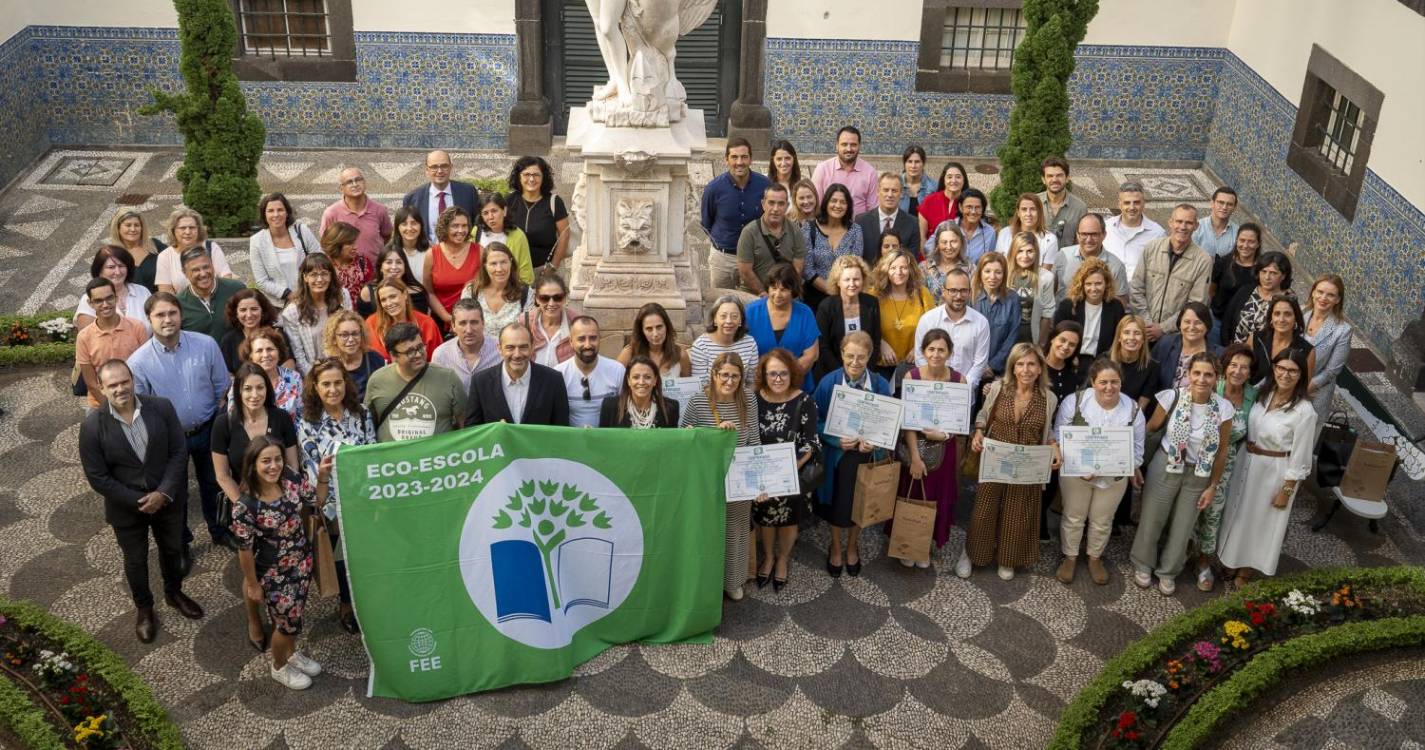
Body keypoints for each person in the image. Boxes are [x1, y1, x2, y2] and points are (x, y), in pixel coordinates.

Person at [79, 360, 202, 643]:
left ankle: (174, 593)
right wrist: (139, 500)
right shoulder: (92, 426)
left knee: (173, 551)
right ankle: (145, 609)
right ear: (101, 387)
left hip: (167, 500)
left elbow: (178, 452)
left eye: (124, 381)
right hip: (127, 509)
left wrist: (164, 493)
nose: (120, 388)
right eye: (112, 385)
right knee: (135, 561)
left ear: (133, 380)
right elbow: (98, 477)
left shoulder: (161, 407)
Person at [127, 293, 233, 550]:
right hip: (170, 439)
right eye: (160, 315)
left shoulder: (206, 345)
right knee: (177, 492)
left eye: (172, 313)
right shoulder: (138, 362)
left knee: (215, 483)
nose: (167, 320)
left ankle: (220, 530)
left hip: (208, 429)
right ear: (149, 319)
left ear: (181, 314)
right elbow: (142, 408)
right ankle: (182, 542)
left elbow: (222, 387)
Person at [210, 362, 300, 650]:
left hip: (280, 508)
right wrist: (245, 507)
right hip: (246, 509)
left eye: (260, 387)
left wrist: (287, 503)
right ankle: (253, 618)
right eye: (247, 388)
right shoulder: (225, 423)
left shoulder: (281, 418)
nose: (254, 394)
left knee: (280, 567)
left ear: (268, 389)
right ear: (238, 391)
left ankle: (279, 617)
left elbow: (292, 465)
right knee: (252, 571)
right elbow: (222, 474)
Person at [1130, 352, 1234, 596]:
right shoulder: (1172, 397)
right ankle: (1143, 563)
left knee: (1183, 525)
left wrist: (1213, 486)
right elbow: (1150, 429)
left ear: (1216, 378)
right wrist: (1134, 463)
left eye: (1208, 374)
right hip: (1166, 463)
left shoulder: (1224, 408)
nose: (1201, 379)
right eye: (1196, 373)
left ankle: (1168, 571)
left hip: (1199, 472)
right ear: (1188, 374)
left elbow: (1222, 451)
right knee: (1153, 517)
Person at [232, 436, 328, 689]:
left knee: (294, 617)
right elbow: (244, 550)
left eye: (277, 459)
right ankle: (279, 666)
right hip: (274, 572)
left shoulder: (291, 482)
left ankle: (291, 653)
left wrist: (324, 477)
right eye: (266, 461)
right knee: (285, 625)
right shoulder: (245, 506)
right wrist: (253, 585)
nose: (273, 466)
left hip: (302, 563)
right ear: (252, 465)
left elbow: (316, 501)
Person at [1215, 349, 1317, 586]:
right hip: (1246, 460)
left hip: (1274, 470)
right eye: (1281, 368)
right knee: (1238, 513)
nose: (1286, 374)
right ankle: (1230, 560)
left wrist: (1287, 490)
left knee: (1260, 521)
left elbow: (1301, 457)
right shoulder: (1262, 393)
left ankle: (1247, 569)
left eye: (1293, 371)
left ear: (1301, 375)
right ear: (1274, 368)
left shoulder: (1304, 412)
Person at [962, 343, 1062, 580]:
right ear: (1013, 367)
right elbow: (984, 415)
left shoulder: (1049, 398)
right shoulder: (998, 388)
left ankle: (1007, 558)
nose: (1026, 369)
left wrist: (1054, 448)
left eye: (1031, 364)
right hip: (995, 458)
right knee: (984, 509)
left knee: (1017, 512)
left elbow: (1048, 432)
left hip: (1027, 464)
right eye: (1020, 364)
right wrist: (978, 432)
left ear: (1040, 369)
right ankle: (971, 554)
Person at [297, 359, 375, 634]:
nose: (333, 389)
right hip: (331, 504)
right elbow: (310, 468)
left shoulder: (362, 413)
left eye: (338, 382)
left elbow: (373, 451)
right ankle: (345, 605)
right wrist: (325, 473)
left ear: (346, 383)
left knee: (366, 555)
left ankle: (368, 600)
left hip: (364, 499)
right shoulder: (308, 422)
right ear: (315, 388)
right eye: (326, 384)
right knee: (341, 558)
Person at [1053, 358, 1145, 585]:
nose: (1109, 387)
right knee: (1074, 516)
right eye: (1103, 382)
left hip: (1114, 477)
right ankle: (1070, 557)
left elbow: (1137, 450)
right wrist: (1080, 468)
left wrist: (1112, 466)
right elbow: (1058, 437)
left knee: (1102, 520)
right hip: (1076, 473)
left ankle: (1095, 557)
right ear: (1093, 382)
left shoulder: (1133, 409)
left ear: (1121, 382)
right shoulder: (1074, 402)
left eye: (1114, 382)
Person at [682, 352, 762, 600]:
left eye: (735, 376)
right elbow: (685, 438)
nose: (729, 381)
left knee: (736, 531)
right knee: (707, 531)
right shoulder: (698, 401)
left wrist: (759, 483)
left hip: (739, 476)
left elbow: (755, 439)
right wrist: (715, 435)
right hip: (706, 479)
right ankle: (707, 582)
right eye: (724, 375)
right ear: (714, 375)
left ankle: (733, 581)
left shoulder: (749, 399)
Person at [753, 349, 820, 589]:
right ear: (764, 374)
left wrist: (789, 469)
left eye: (783, 373)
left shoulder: (805, 401)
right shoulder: (754, 399)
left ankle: (782, 558)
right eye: (772, 374)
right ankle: (769, 556)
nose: (778, 379)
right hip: (761, 473)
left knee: (789, 518)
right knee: (767, 516)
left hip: (793, 473)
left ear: (792, 374)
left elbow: (811, 442)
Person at [1192, 344, 1256, 592]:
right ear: (1224, 368)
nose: (1238, 371)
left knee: (1213, 514)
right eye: (1234, 365)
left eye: (1245, 367)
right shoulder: (1210, 387)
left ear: (1250, 372)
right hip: (1196, 459)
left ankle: (1204, 562)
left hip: (1227, 466)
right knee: (1187, 510)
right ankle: (1180, 552)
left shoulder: (1253, 397)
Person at [895, 329, 962, 565]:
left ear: (949, 353)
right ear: (923, 351)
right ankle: (909, 544)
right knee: (913, 494)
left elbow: (960, 421)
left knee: (937, 496)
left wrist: (943, 435)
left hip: (945, 448)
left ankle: (925, 544)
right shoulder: (912, 377)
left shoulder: (958, 380)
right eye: (931, 349)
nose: (936, 354)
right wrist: (914, 456)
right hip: (916, 446)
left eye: (941, 349)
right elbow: (907, 422)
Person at [364, 323, 466, 442]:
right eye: (410, 352)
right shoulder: (377, 380)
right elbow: (368, 424)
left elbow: (463, 423)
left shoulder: (448, 378)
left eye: (420, 347)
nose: (418, 354)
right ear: (393, 356)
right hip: (393, 460)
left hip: (436, 459)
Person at [1130, 204, 1211, 342]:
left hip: (1174, 337)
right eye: (1179, 221)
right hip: (1143, 330)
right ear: (1170, 222)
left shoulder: (1203, 261)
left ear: (1196, 226)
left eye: (1189, 223)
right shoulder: (1151, 248)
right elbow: (1136, 288)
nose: (1183, 227)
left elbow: (1195, 304)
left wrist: (1162, 328)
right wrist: (1149, 325)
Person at [465, 324, 570, 426]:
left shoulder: (553, 380)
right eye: (510, 348)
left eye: (523, 347)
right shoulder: (480, 382)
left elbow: (561, 430)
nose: (517, 354)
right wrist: (493, 431)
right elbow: (472, 429)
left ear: (532, 347)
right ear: (499, 349)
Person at [701, 137, 771, 290]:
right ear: (726, 159)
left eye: (744, 157)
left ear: (751, 159)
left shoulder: (765, 186)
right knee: (720, 305)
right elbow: (706, 223)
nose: (739, 162)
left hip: (755, 260)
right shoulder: (714, 189)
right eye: (734, 157)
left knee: (754, 304)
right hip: (723, 259)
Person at [913, 267, 991, 393]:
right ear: (944, 292)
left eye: (963, 291)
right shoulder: (928, 320)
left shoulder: (981, 323)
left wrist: (962, 388)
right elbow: (920, 357)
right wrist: (934, 386)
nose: (958, 296)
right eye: (953, 290)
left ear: (970, 292)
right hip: (930, 392)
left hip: (965, 396)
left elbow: (980, 363)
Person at [76, 278, 150, 409]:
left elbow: (147, 367)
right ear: (90, 303)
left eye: (109, 298)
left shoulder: (137, 327)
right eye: (98, 301)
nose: (105, 304)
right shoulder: (84, 337)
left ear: (116, 297)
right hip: (100, 404)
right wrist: (111, 408)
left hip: (137, 401)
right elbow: (91, 381)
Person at [744, 265, 819, 390]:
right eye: (773, 288)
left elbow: (811, 355)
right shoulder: (751, 312)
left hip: (797, 386)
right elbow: (743, 353)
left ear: (793, 291)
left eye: (783, 290)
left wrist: (783, 379)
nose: (777, 294)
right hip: (760, 387)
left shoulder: (805, 313)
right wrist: (769, 380)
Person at [280, 253, 352, 376]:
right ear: (305, 277)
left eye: (324, 273)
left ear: (331, 276)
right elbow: (299, 358)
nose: (319, 279)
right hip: (314, 373)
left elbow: (351, 331)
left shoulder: (343, 297)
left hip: (345, 367)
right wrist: (317, 378)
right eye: (313, 275)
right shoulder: (292, 313)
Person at [1053, 259, 1126, 377]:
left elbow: (1117, 340)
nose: (1093, 288)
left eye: (1098, 283)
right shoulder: (1068, 305)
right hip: (1072, 360)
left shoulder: (1115, 307)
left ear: (1106, 283)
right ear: (1082, 284)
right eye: (1088, 284)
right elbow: (1056, 336)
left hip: (1102, 362)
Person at [815, 255, 880, 382]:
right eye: (847, 279)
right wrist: (843, 374)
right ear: (838, 281)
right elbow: (823, 347)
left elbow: (875, 342)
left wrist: (864, 371)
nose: (852, 284)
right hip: (832, 374)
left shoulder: (871, 303)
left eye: (856, 279)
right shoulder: (826, 306)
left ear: (863, 280)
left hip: (864, 373)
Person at [874, 248, 936, 378]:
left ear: (911, 270)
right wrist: (880, 343)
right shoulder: (873, 295)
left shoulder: (922, 293)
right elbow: (866, 328)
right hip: (880, 367)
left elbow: (934, 327)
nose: (899, 272)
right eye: (893, 267)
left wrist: (919, 348)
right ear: (885, 270)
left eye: (904, 267)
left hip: (914, 367)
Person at [801, 183, 864, 311]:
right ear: (826, 203)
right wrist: (831, 291)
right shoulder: (809, 227)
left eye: (843, 202)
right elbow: (807, 269)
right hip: (813, 298)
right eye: (833, 201)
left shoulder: (855, 230)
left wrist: (842, 291)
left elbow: (855, 265)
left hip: (847, 296)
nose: (838, 205)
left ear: (848, 206)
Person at [249, 192, 318, 306]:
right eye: (270, 211)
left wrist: (309, 291)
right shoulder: (256, 241)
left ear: (287, 212)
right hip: (278, 306)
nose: (276, 214)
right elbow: (261, 281)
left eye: (280, 210)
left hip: (310, 298)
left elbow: (320, 259)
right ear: (264, 215)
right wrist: (288, 294)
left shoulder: (302, 231)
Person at [735, 183, 806, 295]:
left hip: (785, 293)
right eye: (771, 203)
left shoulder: (795, 231)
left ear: (787, 206)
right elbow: (745, 271)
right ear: (763, 204)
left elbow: (798, 267)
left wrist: (783, 293)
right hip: (755, 293)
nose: (776, 209)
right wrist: (764, 293)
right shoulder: (749, 232)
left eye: (781, 204)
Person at [1302, 274, 1352, 433]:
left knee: (1303, 445)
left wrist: (1301, 389)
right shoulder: (1300, 314)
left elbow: (1331, 371)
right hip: (1285, 383)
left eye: (1330, 295)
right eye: (1320, 292)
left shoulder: (1342, 330)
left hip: (1314, 395)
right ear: (1313, 293)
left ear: (1338, 299)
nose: (1323, 298)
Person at [556, 317, 625, 428]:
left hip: (607, 441)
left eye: (593, 338)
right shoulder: (559, 374)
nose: (588, 345)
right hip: (570, 442)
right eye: (581, 339)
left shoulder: (617, 371)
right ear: (571, 342)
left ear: (599, 339)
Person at [402, 150, 480, 247]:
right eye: (434, 167)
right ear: (427, 170)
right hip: (427, 257)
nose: (440, 171)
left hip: (461, 255)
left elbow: (478, 225)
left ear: (451, 167)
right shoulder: (412, 199)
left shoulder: (468, 192)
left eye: (444, 166)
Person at [506, 155, 570, 272]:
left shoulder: (554, 202)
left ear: (543, 177)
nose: (531, 179)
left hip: (544, 270)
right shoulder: (510, 200)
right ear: (519, 177)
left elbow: (564, 235)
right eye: (526, 174)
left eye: (536, 175)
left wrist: (553, 266)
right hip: (513, 271)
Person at [154, 207, 237, 294]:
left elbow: (226, 277)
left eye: (192, 227)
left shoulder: (211, 247)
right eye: (182, 228)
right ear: (173, 230)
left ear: (198, 229)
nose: (188, 232)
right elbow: (166, 291)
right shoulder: (165, 257)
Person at [422, 207, 481, 329]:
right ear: (445, 228)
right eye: (455, 226)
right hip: (441, 321)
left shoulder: (479, 251)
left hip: (472, 321)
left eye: (464, 226)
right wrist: (448, 318)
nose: (461, 230)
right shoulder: (432, 254)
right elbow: (429, 292)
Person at [1220, 250, 1292, 346]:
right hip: (1232, 352)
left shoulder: (1288, 301)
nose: (1267, 277)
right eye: (1264, 271)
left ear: (1283, 276)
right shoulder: (1246, 290)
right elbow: (1227, 321)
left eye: (1273, 273)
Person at [321, 167, 393, 264]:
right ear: (341, 188)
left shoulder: (379, 210)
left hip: (375, 274)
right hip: (342, 276)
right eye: (349, 182)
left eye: (358, 180)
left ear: (365, 183)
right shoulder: (331, 213)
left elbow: (387, 236)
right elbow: (326, 244)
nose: (355, 184)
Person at [461, 242, 533, 338]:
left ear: (511, 262)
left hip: (513, 351)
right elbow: (463, 327)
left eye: (503, 262)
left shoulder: (525, 293)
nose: (499, 269)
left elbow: (530, 331)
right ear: (485, 266)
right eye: (493, 264)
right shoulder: (472, 292)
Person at [1055, 213, 1129, 305]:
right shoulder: (1063, 256)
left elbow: (1120, 305)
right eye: (1084, 234)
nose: (1089, 239)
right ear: (1077, 235)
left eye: (1094, 234)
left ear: (1104, 235)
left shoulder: (1116, 266)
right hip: (1064, 317)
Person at [176, 246, 246, 343]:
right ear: (185, 273)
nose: (203, 273)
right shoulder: (178, 304)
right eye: (195, 270)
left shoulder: (236, 289)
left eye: (206, 267)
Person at [691, 295, 761, 389]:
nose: (728, 321)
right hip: (710, 400)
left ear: (740, 320)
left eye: (734, 316)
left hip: (742, 399)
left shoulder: (749, 343)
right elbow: (699, 386)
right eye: (723, 316)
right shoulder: (701, 345)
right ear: (715, 319)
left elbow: (752, 382)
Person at [1209, 223, 1263, 344]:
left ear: (1258, 244)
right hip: (1217, 321)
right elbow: (1211, 290)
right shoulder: (1223, 263)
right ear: (1236, 240)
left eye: (1251, 242)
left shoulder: (1262, 270)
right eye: (1242, 240)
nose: (1245, 245)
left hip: (1244, 327)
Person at [75, 245, 152, 330]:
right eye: (111, 267)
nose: (118, 272)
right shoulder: (90, 298)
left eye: (121, 266)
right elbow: (86, 338)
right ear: (99, 270)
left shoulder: (142, 291)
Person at [219, 288, 295, 374]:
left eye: (254, 309)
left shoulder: (277, 334)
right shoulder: (229, 340)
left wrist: (268, 385)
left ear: (263, 310)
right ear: (236, 313)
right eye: (243, 310)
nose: (249, 315)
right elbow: (227, 374)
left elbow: (289, 365)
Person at [1245, 294, 1316, 385]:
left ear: (1296, 319)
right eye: (1277, 314)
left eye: (1288, 314)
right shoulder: (1256, 338)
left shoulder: (1307, 351)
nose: (1281, 319)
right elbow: (1242, 369)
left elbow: (1302, 388)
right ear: (1271, 318)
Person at [431, 298, 501, 391]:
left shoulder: (500, 349)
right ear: (453, 326)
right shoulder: (441, 355)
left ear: (483, 323)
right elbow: (438, 393)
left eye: (474, 322)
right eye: (462, 323)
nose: (469, 330)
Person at [366, 279, 442, 362]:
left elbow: (437, 359)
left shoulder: (427, 323)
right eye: (383, 300)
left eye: (393, 297)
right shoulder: (371, 323)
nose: (389, 303)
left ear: (405, 294)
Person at [1151, 302, 1223, 389]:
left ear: (1207, 325)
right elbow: (1149, 376)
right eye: (1187, 322)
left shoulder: (1219, 354)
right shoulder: (1165, 343)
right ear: (1180, 324)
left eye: (1198, 323)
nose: (1192, 327)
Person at [971, 252, 1020, 378]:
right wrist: (979, 366)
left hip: (999, 370)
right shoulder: (970, 296)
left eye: (998, 272)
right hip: (971, 366)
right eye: (987, 271)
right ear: (980, 272)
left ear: (1004, 275)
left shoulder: (1013, 299)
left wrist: (992, 365)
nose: (992, 277)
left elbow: (1012, 336)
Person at [854, 172, 920, 266]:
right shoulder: (861, 221)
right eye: (885, 190)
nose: (890, 195)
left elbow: (912, 261)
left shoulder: (912, 223)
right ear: (877, 191)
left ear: (901, 193)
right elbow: (857, 258)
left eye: (894, 191)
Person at [238, 328, 304, 421]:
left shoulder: (294, 378)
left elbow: (302, 414)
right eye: (259, 351)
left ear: (279, 352)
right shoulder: (241, 382)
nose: (265, 355)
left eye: (270, 349)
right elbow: (235, 417)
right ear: (250, 356)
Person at [1102, 182, 1164, 281]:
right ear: (1119, 204)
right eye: (1127, 203)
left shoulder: (1157, 233)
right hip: (1108, 291)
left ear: (1143, 204)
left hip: (1140, 293)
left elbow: (1162, 269)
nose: (1132, 207)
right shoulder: (1106, 227)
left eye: (1136, 202)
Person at [811, 126, 877, 215]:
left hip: (860, 227)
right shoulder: (822, 169)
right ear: (837, 146)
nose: (849, 149)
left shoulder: (870, 173)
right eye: (844, 144)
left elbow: (873, 209)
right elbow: (815, 205)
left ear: (859, 146)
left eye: (853, 145)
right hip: (828, 226)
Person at [599, 355, 680, 428]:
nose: (641, 382)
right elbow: (601, 439)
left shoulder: (670, 408)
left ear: (655, 380)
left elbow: (674, 442)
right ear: (628, 380)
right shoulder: (610, 406)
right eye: (636, 377)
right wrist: (590, 434)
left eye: (647, 377)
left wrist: (689, 433)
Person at [1005, 232, 1056, 347]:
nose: (1025, 256)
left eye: (1030, 251)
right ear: (1013, 252)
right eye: (1020, 251)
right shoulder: (1003, 274)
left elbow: (1047, 314)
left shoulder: (1046, 277)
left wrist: (1041, 344)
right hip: (1005, 335)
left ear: (1036, 253)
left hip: (1029, 334)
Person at [518, 272, 578, 367]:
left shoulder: (576, 323)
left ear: (565, 298)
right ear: (537, 299)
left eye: (557, 297)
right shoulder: (524, 321)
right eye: (544, 298)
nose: (551, 303)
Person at [617, 302, 693, 377]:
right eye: (649, 329)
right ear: (642, 331)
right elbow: (614, 384)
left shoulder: (680, 355)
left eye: (659, 327)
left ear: (667, 326)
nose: (655, 334)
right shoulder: (629, 353)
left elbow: (688, 386)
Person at [323, 311, 386, 399]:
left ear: (362, 335)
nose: (351, 339)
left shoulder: (375, 359)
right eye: (344, 335)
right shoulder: (328, 366)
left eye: (355, 333)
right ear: (334, 338)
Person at [475, 193, 535, 285]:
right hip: (482, 289)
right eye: (485, 213)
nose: (490, 217)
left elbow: (526, 273)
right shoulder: (476, 232)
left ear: (504, 211)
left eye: (494, 211)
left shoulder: (517, 235)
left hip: (510, 290)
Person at [357, 245, 430, 318]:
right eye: (389, 262)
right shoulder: (367, 292)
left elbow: (421, 321)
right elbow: (364, 325)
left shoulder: (417, 292)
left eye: (399, 262)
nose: (394, 267)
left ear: (405, 267)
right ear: (381, 267)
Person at [995, 193, 1061, 270]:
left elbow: (1045, 273)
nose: (1028, 214)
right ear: (1018, 213)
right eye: (1024, 209)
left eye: (1033, 209)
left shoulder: (1050, 239)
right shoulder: (1005, 233)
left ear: (1039, 212)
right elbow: (998, 264)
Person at [105, 210, 163, 292]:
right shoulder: (111, 255)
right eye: (128, 225)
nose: (133, 229)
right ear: (118, 228)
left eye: (137, 225)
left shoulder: (155, 246)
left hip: (160, 301)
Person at [321, 221, 373, 313]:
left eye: (355, 242)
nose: (355, 247)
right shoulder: (324, 266)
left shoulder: (363, 262)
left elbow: (371, 291)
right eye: (350, 244)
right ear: (336, 245)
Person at [1037, 157, 1088, 249]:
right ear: (1043, 180)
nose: (1054, 180)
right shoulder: (1034, 203)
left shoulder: (1080, 208)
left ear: (1067, 178)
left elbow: (1080, 242)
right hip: (1037, 261)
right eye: (1050, 176)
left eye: (1059, 175)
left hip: (1067, 262)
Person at [917, 162, 968, 249]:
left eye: (958, 177)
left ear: (964, 180)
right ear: (943, 180)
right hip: (931, 255)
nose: (954, 180)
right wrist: (929, 259)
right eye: (949, 177)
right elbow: (922, 237)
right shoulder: (929, 201)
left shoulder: (968, 203)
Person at [920, 222, 972, 300]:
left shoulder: (970, 268)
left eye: (953, 241)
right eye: (944, 242)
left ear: (961, 242)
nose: (949, 247)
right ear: (937, 244)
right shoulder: (924, 268)